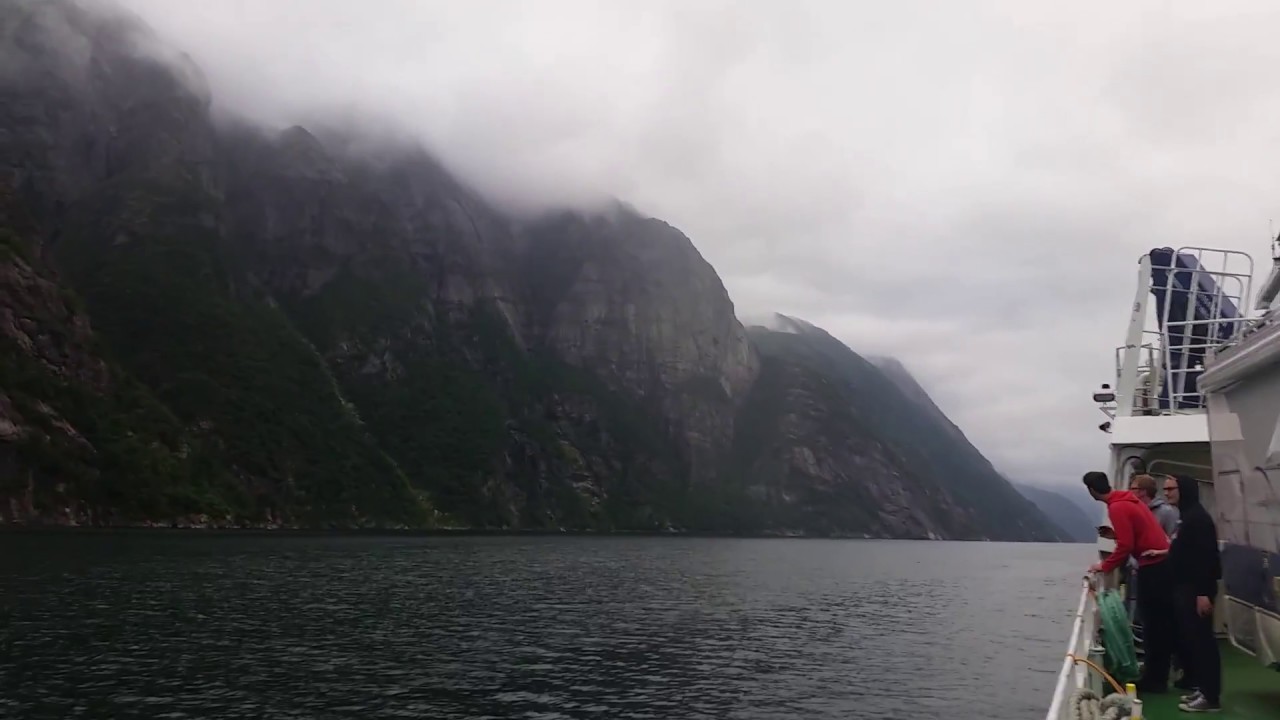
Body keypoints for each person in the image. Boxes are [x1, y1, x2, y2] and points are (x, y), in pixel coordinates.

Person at [1082, 470, 1175, 693]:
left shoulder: (1117, 507)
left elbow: (1125, 547)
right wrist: (1116, 535)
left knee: (1153, 626)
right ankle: (1156, 675)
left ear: (1092, 491)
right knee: (1157, 625)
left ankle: (1156, 681)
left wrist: (1103, 566)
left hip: (1153, 568)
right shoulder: (1127, 498)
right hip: (1161, 565)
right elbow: (1135, 536)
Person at [1166, 474, 1223, 713]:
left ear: (1185, 490)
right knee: (1194, 642)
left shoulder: (1197, 519)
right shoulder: (1187, 517)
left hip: (1196, 590)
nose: (1166, 492)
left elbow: (1206, 559)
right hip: (1186, 588)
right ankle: (1204, 689)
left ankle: (1210, 697)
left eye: (1171, 489)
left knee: (1203, 643)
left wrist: (1202, 593)